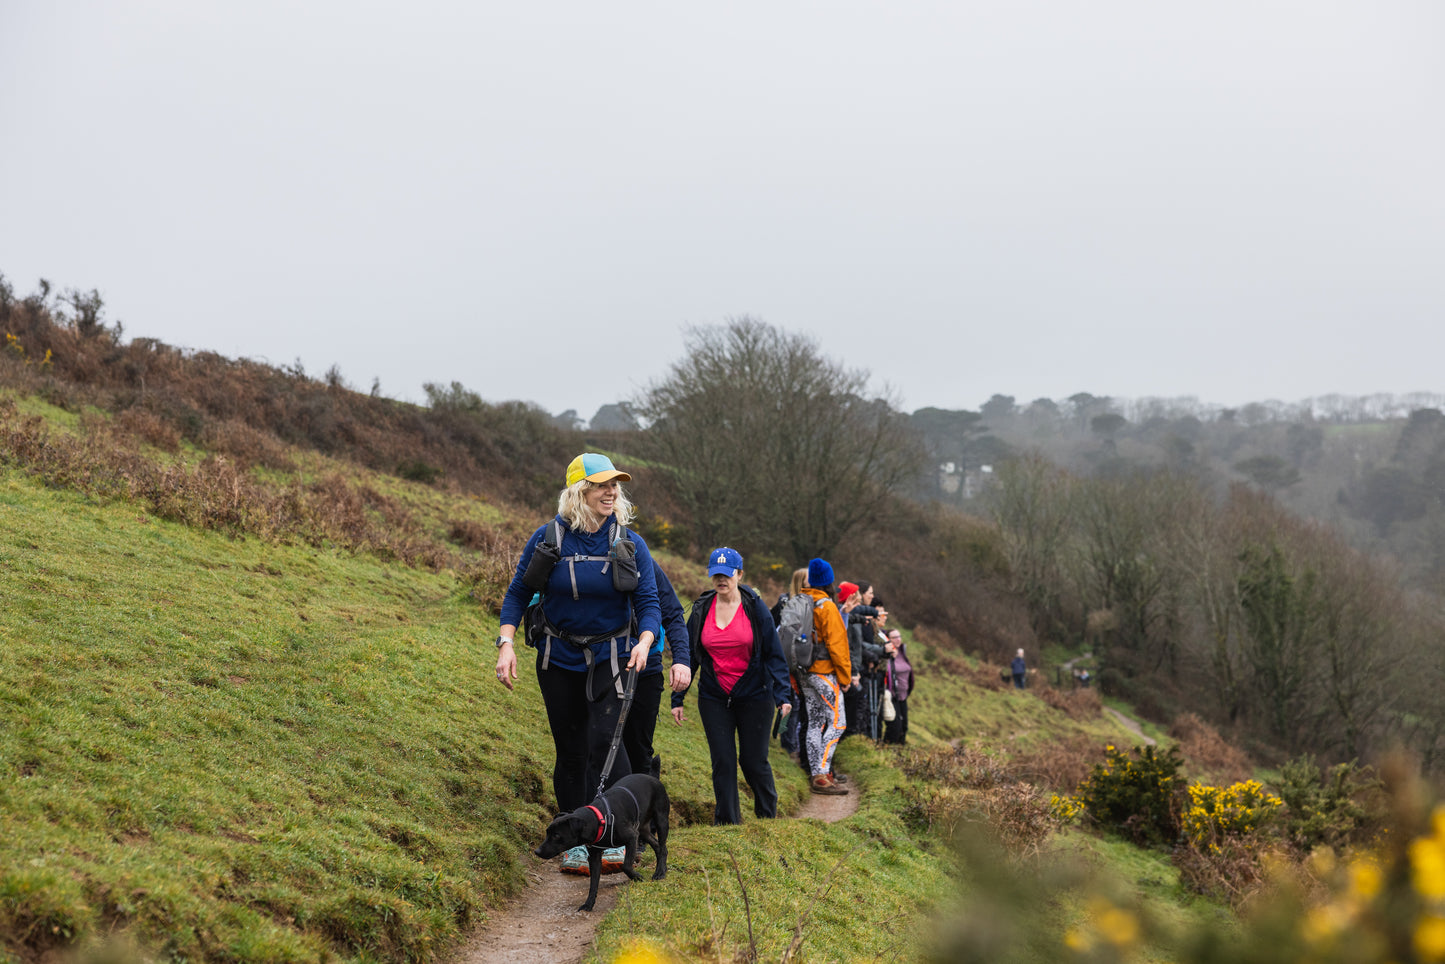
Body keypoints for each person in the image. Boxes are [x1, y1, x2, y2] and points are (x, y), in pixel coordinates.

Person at [495, 453, 667, 870]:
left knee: (609, 746)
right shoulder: (548, 538)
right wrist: (506, 643)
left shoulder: (629, 542)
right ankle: (575, 841)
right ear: (579, 491)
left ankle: (621, 838)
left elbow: (648, 601)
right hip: (558, 658)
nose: (611, 492)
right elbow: (518, 593)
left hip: (613, 657)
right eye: (602, 485)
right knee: (570, 750)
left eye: (615, 485)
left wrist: (645, 642)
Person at [672, 547, 793, 824]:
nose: (721, 580)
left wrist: (783, 695)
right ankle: (727, 821)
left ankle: (766, 816)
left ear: (739, 574)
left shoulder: (755, 608)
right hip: (714, 696)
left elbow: (774, 654)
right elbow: (688, 657)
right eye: (715, 574)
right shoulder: (702, 609)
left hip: (755, 695)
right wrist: (678, 698)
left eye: (727, 574)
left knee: (753, 762)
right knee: (723, 762)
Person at [623, 565, 692, 778]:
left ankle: (642, 804)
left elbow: (673, 614)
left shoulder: (641, 558)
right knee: (596, 744)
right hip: (597, 664)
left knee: (638, 749)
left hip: (645, 668)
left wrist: (681, 660)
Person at [798, 557, 851, 795]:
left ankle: (817, 773)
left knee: (815, 722)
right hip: (824, 673)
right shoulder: (827, 606)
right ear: (828, 582)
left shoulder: (800, 601)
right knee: (838, 723)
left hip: (804, 673)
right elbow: (838, 646)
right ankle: (822, 773)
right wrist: (846, 678)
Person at [773, 567, 809, 759]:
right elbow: (775, 624)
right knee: (791, 701)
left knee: (797, 702)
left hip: (801, 657)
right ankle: (787, 742)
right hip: (786, 657)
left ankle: (787, 737)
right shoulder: (785, 601)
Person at [881, 628, 914, 745]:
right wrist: (891, 657)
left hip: (903, 695)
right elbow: (887, 670)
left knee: (904, 726)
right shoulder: (887, 653)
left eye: (899, 636)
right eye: (894, 637)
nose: (898, 639)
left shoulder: (902, 652)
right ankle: (886, 748)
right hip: (891, 695)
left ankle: (899, 753)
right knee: (894, 726)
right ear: (888, 639)